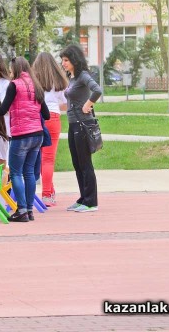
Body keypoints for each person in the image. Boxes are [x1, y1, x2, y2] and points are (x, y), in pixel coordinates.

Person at [0, 57, 49, 223]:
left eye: (11, 69)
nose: (9, 72)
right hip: (37, 135)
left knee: (16, 172)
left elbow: (2, 109)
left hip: (21, 134)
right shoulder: (36, 86)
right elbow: (46, 114)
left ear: (15, 69)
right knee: (29, 172)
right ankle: (29, 210)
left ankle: (21, 209)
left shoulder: (14, 85)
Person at [61, 44, 102, 213]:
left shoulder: (83, 76)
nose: (63, 63)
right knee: (77, 163)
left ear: (74, 61)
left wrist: (88, 104)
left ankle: (91, 202)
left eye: (66, 60)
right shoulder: (72, 78)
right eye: (62, 60)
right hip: (73, 124)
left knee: (85, 163)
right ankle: (83, 198)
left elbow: (97, 90)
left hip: (82, 124)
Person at [32, 52, 68, 206]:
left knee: (39, 158)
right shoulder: (59, 81)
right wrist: (54, 105)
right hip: (53, 117)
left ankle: (49, 191)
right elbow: (66, 104)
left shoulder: (33, 81)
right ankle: (47, 194)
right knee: (48, 159)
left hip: (36, 118)